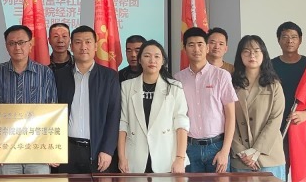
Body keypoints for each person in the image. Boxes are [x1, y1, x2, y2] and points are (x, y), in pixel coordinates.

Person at [0, 25, 58, 175]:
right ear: (6, 46)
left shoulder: (45, 73)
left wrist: (52, 150)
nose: (17, 47)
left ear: (30, 44)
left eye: (21, 42)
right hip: (7, 149)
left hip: (38, 148)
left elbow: (52, 111)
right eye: (12, 43)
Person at [54, 25, 120, 173]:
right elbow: (53, 114)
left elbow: (114, 115)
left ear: (96, 46)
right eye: (78, 42)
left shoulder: (109, 77)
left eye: (88, 42)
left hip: (98, 151)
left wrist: (107, 149)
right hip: (67, 150)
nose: (83, 47)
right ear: (71, 46)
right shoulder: (60, 76)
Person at [118, 40, 189, 174]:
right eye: (147, 56)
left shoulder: (174, 87)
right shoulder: (127, 86)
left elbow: (181, 124)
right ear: (140, 60)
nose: (152, 60)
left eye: (157, 56)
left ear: (163, 61)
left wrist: (180, 158)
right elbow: (123, 123)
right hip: (135, 156)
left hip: (167, 156)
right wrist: (122, 157)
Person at [174, 27, 237, 173]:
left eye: (200, 44)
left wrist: (225, 151)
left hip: (217, 146)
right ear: (185, 49)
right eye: (191, 45)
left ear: (207, 48)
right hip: (189, 148)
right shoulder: (178, 79)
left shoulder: (222, 76)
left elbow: (231, 116)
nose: (196, 49)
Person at [271, 21, 306, 176]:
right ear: (278, 40)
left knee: (303, 175)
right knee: (278, 175)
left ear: (300, 40)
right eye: (285, 37)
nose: (289, 41)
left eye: (294, 37)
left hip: (302, 126)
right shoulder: (270, 66)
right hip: (277, 129)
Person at [231, 35, 286, 181]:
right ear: (240, 55)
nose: (252, 55)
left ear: (264, 54)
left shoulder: (274, 85)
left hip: (269, 157)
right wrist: (241, 151)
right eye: (246, 51)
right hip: (241, 159)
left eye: (256, 51)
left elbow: (275, 120)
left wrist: (256, 151)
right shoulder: (231, 84)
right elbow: (227, 120)